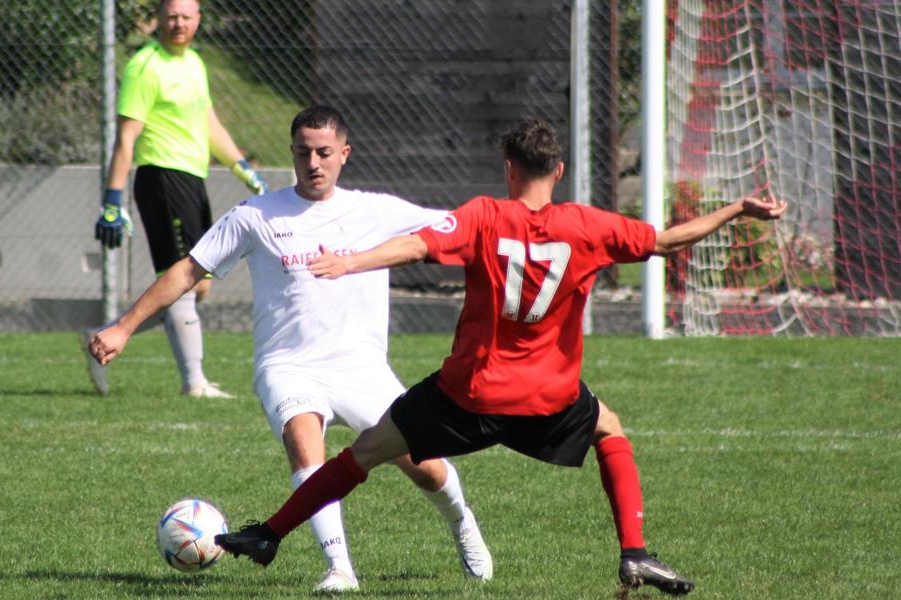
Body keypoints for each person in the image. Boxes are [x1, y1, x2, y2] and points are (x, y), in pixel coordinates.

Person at [213, 118, 788, 595]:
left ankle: (270, 533)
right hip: (549, 396)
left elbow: (416, 246)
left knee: (361, 455)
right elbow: (666, 241)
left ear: (509, 170)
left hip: (468, 393)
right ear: (558, 171)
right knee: (609, 428)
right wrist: (738, 208)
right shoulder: (588, 226)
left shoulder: (485, 215)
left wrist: (349, 261)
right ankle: (634, 551)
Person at [89, 105, 493, 592]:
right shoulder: (256, 215)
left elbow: (469, 232)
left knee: (424, 469)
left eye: (325, 152)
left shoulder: (378, 211)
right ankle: (339, 569)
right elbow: (187, 270)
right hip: (288, 365)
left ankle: (463, 524)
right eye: (303, 153)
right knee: (305, 443)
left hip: (362, 369)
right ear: (292, 154)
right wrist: (124, 328)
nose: (314, 162)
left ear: (345, 153)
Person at [84, 0, 268, 398]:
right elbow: (126, 137)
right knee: (183, 279)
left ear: (198, 20)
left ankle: (105, 335)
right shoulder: (145, 67)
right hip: (161, 179)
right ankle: (194, 383)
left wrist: (240, 166)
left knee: (197, 284)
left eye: (186, 16)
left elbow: (208, 123)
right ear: (159, 21)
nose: (178, 23)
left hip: (192, 180)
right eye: (171, 17)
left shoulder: (194, 63)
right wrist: (112, 199)